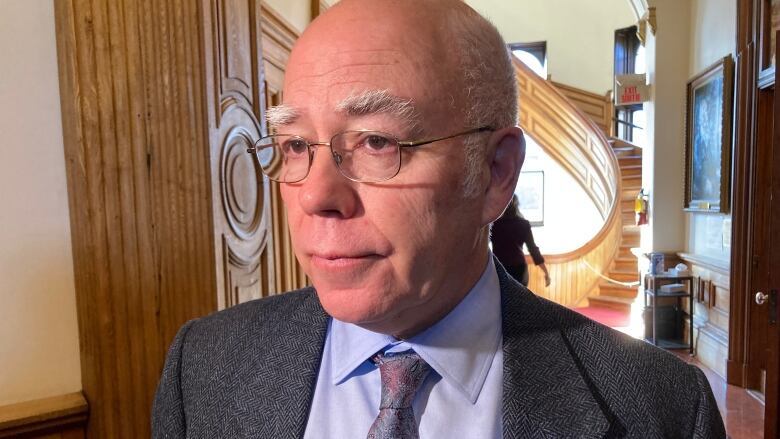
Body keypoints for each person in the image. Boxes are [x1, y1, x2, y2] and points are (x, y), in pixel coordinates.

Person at [152, 1, 726, 437]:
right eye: (296, 144)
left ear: (495, 172)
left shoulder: (662, 407)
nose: (316, 196)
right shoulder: (202, 368)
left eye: (377, 142)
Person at [491, 194, 551, 287]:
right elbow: (533, 250)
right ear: (517, 205)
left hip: (499, 268)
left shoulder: (493, 225)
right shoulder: (524, 224)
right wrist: (546, 272)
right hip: (519, 269)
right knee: (519, 300)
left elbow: (481, 248)